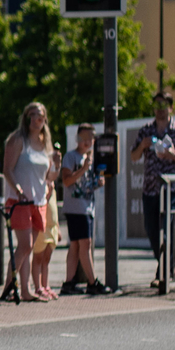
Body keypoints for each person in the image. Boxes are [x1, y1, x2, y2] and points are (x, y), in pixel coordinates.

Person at [1, 101, 58, 303]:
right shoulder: (18, 140)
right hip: (20, 200)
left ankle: (24, 290)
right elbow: (7, 169)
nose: (37, 119)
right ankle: (10, 286)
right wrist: (18, 190)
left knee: (29, 247)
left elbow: (49, 177)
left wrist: (56, 167)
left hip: (39, 201)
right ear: (26, 118)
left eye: (41, 115)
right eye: (33, 115)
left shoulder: (45, 144)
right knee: (25, 245)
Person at [129, 94, 175, 262]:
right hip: (150, 189)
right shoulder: (146, 130)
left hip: (170, 189)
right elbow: (133, 156)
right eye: (157, 105)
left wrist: (173, 156)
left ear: (171, 107)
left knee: (166, 230)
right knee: (151, 229)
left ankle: (165, 269)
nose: (160, 109)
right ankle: (165, 264)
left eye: (164, 105)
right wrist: (142, 146)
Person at [58, 124, 100, 294]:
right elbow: (67, 181)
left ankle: (69, 283)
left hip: (87, 206)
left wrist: (97, 184)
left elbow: (86, 185)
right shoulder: (71, 157)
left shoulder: (90, 159)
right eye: (84, 138)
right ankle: (92, 282)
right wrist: (83, 169)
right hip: (76, 208)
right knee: (85, 243)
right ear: (77, 139)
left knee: (75, 245)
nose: (87, 142)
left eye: (91, 138)